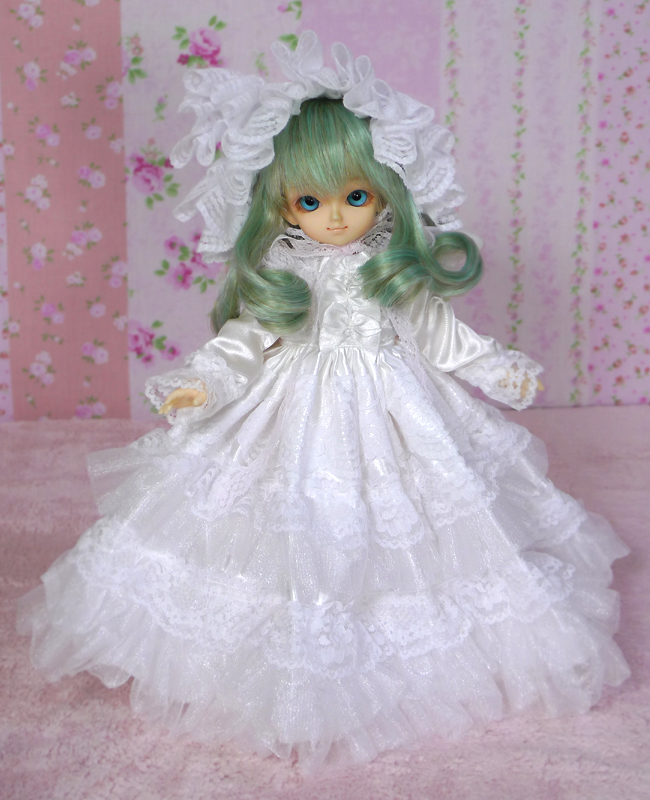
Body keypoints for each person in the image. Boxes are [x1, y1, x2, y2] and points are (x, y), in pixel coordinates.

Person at [17, 32, 630, 770]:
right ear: (281, 203)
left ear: (387, 191)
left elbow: (442, 336)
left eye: (356, 196)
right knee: (283, 520)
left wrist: (497, 369)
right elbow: (246, 340)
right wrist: (204, 381)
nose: (334, 217)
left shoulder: (390, 266)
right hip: (294, 411)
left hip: (396, 410)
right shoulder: (287, 267)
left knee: (423, 517)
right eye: (310, 201)